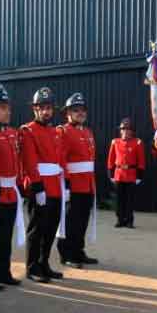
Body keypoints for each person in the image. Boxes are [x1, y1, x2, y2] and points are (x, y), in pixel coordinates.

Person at [20, 87, 65, 283]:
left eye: (49, 108)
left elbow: (59, 160)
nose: (46, 111)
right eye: (42, 108)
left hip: (55, 185)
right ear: (35, 109)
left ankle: (44, 263)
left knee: (50, 229)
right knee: (37, 229)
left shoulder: (55, 131)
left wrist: (65, 184)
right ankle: (32, 267)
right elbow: (29, 161)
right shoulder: (28, 130)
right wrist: (37, 188)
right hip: (39, 186)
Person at [0, 85, 24, 286]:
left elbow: (16, 162)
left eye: (8, 107)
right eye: (2, 108)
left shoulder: (12, 132)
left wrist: (19, 186)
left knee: (5, 235)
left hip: (11, 192)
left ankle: (3, 271)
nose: (8, 111)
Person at [56, 92, 99, 268]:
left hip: (87, 184)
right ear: (68, 113)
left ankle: (78, 251)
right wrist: (65, 184)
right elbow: (61, 159)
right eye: (75, 110)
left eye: (82, 110)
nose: (80, 113)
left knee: (82, 220)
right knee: (70, 221)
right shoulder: (63, 132)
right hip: (73, 184)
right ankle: (66, 254)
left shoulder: (87, 132)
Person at [107, 118, 145, 228]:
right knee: (119, 200)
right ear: (120, 131)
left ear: (132, 131)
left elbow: (141, 161)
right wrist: (111, 175)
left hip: (131, 174)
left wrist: (139, 176)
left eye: (128, 129)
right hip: (119, 174)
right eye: (123, 129)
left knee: (129, 200)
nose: (126, 131)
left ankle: (129, 221)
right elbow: (110, 160)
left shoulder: (138, 142)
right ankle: (120, 219)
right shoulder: (115, 142)